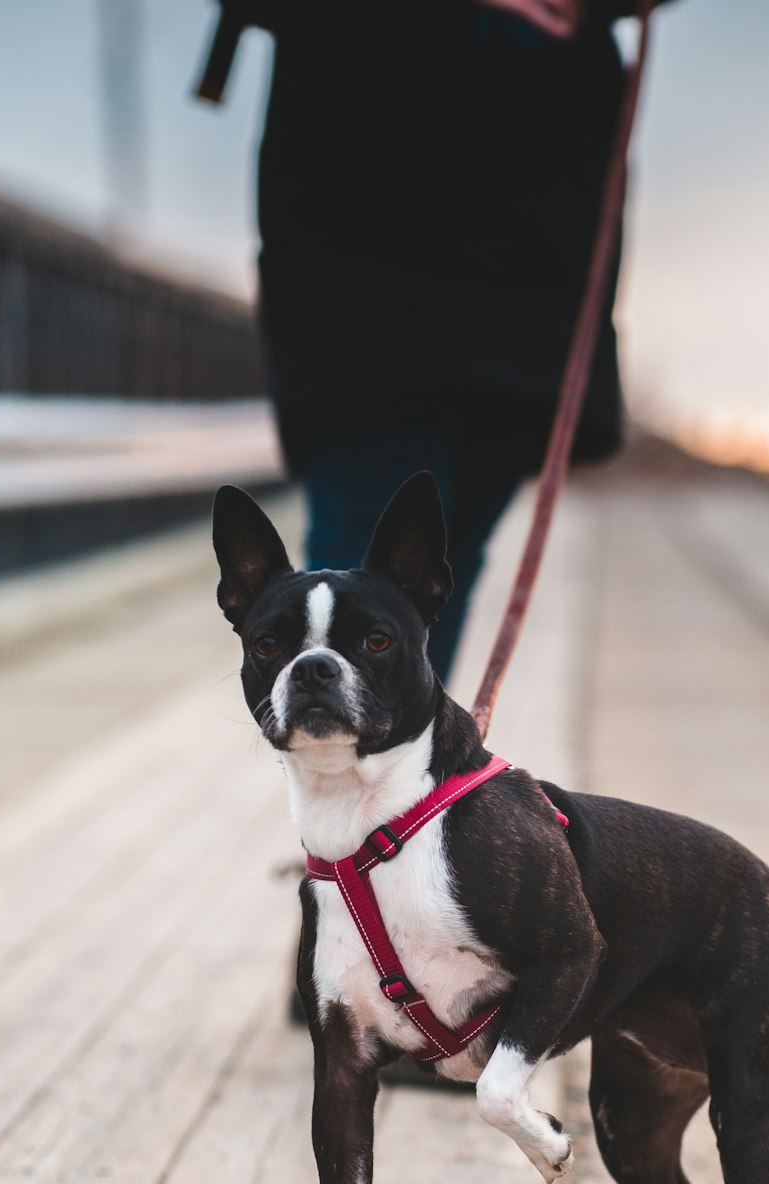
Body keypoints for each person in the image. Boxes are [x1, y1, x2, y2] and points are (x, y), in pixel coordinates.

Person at [199, 0, 651, 681]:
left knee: (432, 586)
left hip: (536, 255)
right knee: (364, 593)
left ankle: (417, 782)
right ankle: (374, 783)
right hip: (370, 234)